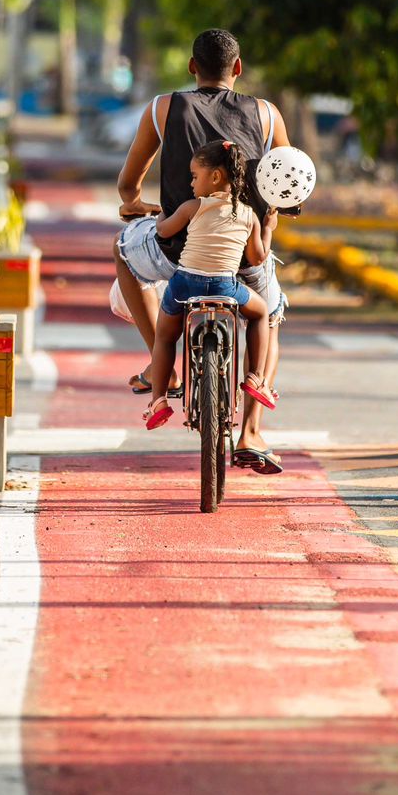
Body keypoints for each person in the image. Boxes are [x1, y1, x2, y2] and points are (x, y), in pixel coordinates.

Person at [114, 28, 290, 473]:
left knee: (122, 253)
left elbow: (128, 183)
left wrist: (135, 205)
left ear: (192, 67)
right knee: (269, 313)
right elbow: (288, 178)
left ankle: (164, 368)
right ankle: (251, 430)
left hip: (175, 253)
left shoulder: (163, 107)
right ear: (239, 68)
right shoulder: (267, 115)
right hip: (242, 257)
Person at [143, 141, 278, 430]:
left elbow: (164, 231)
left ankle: (159, 401)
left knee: (165, 337)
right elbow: (257, 257)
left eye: (194, 176)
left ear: (215, 177)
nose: (191, 183)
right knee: (261, 312)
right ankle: (256, 377)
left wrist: (162, 216)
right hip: (225, 287)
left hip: (185, 285)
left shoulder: (193, 207)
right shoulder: (248, 216)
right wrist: (267, 229)